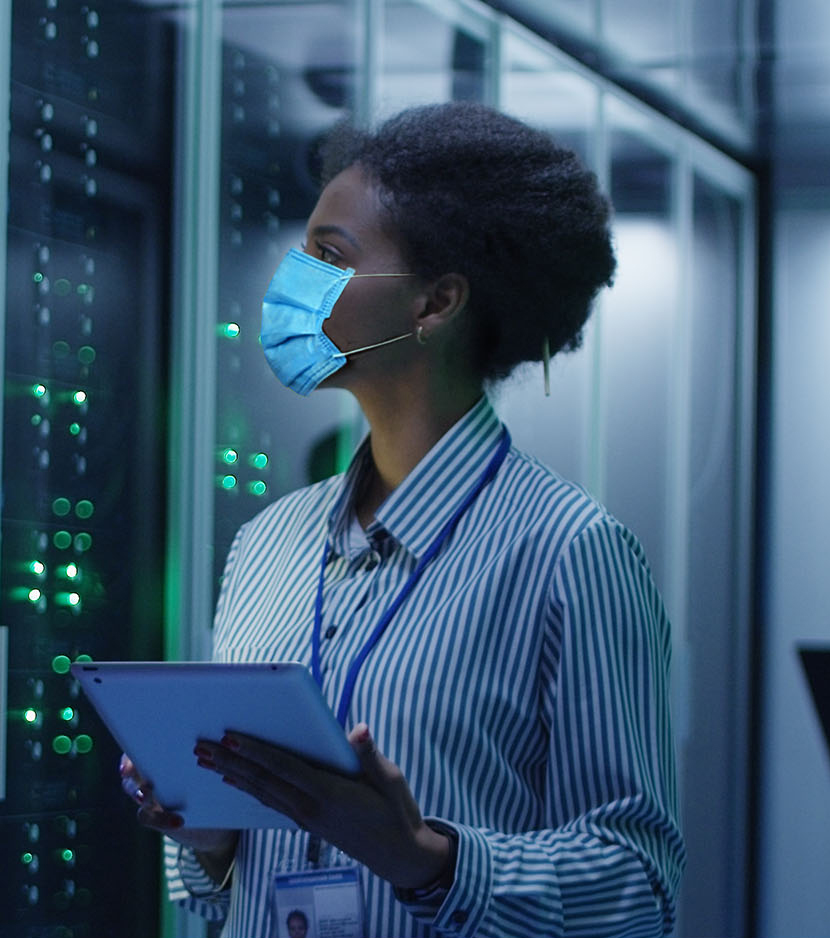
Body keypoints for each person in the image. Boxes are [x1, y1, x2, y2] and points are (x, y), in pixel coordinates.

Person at [121, 101, 683, 937]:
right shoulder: (266, 545)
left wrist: (425, 859)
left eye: (327, 255)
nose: (292, 279)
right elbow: (217, 891)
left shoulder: (571, 554)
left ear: (435, 303)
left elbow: (641, 889)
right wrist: (208, 839)